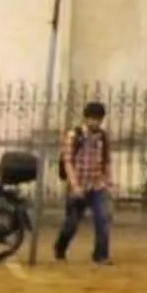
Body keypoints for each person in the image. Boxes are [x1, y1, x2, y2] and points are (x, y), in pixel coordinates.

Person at [53, 100, 115, 264]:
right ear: (86, 118)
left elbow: (106, 160)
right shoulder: (74, 135)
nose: (95, 122)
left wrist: (108, 182)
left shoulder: (102, 137)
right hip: (78, 184)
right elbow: (68, 162)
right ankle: (60, 246)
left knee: (103, 218)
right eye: (92, 119)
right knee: (72, 223)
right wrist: (74, 186)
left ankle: (101, 254)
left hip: (96, 184)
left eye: (98, 119)